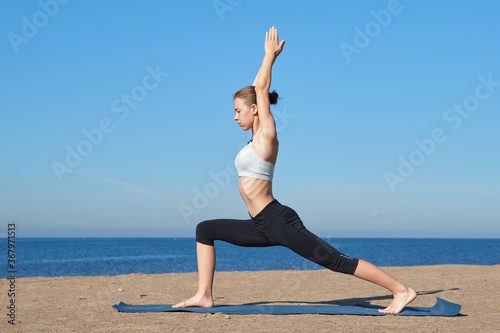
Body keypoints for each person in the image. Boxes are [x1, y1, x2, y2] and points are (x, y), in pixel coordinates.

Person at [173, 26, 416, 314]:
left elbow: (260, 89)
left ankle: (402, 291)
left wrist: (269, 57)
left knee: (336, 261)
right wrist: (262, 69)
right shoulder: (253, 138)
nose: (235, 116)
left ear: (254, 110)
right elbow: (256, 88)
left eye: (239, 110)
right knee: (206, 229)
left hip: (278, 222)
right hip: (259, 225)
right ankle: (204, 294)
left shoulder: (266, 136)